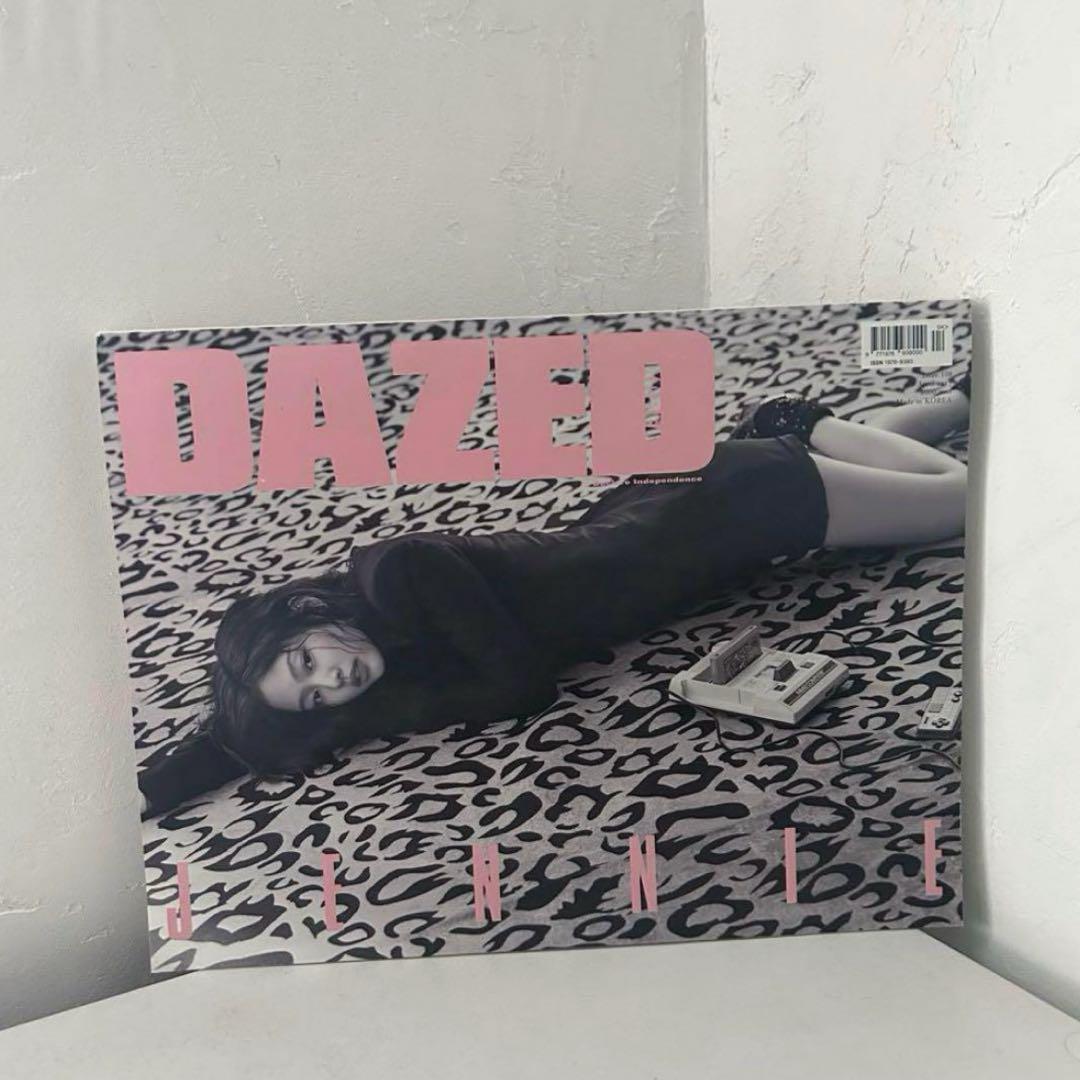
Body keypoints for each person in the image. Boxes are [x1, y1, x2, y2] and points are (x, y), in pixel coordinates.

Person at [138, 380, 971, 818]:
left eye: (306, 662)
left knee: (957, 499)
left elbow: (520, 685)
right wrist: (164, 782)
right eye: (315, 698)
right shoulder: (386, 637)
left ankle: (797, 423)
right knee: (886, 465)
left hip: (722, 510)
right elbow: (241, 732)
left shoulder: (398, 574)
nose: (334, 682)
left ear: (305, 614)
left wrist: (369, 718)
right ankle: (946, 401)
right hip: (673, 515)